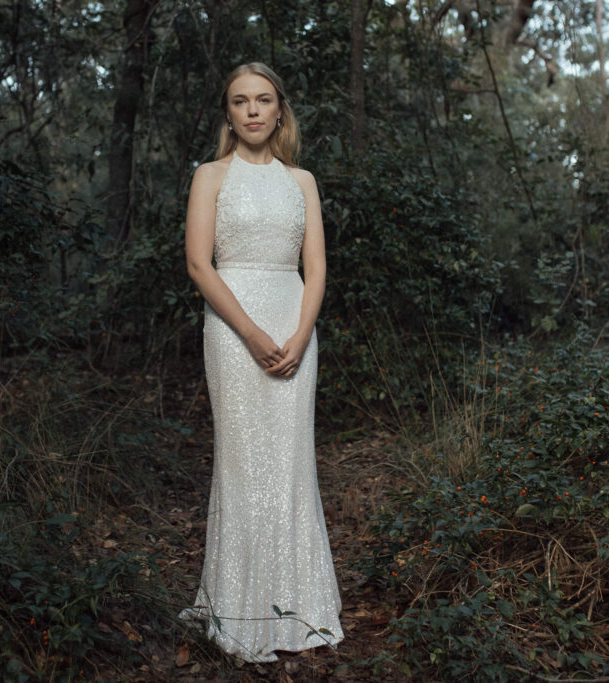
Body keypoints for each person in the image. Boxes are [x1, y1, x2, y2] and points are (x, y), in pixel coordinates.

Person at [180, 62, 344, 663]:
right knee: (245, 463)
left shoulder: (301, 181)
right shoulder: (209, 176)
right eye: (240, 101)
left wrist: (301, 334)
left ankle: (299, 604)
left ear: (280, 110)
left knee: (292, 463)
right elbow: (200, 265)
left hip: (294, 321)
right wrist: (250, 333)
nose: (252, 110)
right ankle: (238, 606)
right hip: (232, 327)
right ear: (228, 113)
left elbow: (317, 269)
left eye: (264, 100)